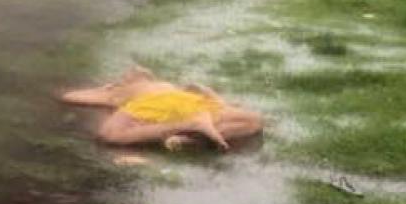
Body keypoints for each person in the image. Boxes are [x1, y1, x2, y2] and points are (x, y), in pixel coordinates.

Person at [60, 65, 263, 151]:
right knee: (254, 121)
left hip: (160, 105)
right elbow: (219, 103)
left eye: (129, 73)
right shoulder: (168, 86)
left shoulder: (124, 90)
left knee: (109, 135)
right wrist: (211, 94)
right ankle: (190, 138)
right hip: (191, 103)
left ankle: (190, 125)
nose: (129, 72)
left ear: (133, 79)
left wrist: (104, 89)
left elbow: (70, 97)